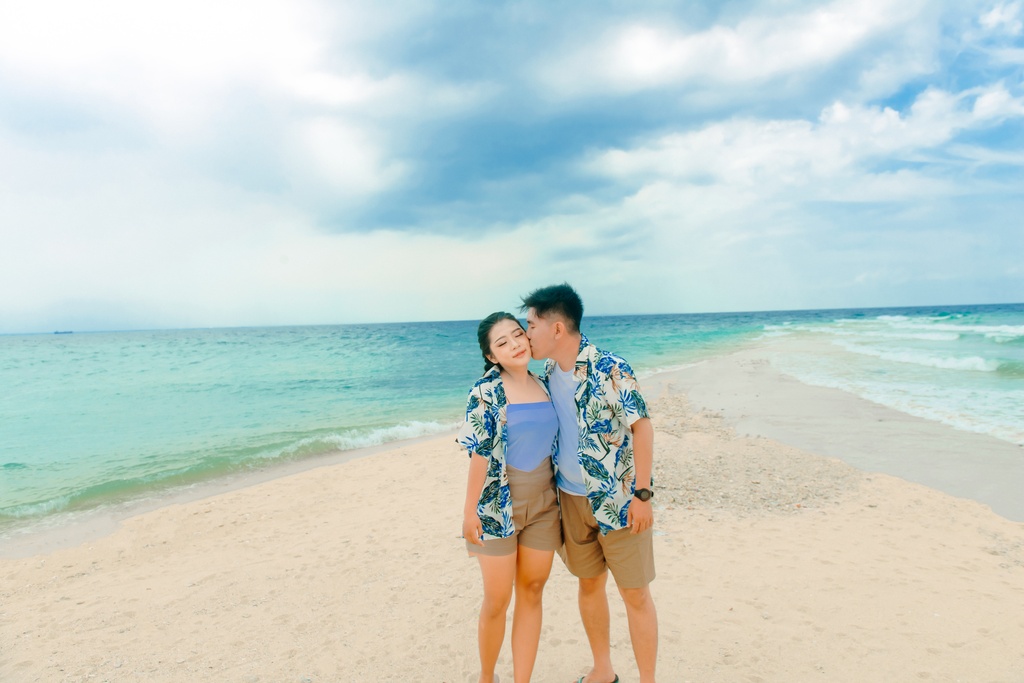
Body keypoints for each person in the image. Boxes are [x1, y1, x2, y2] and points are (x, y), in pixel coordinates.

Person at [521, 283, 658, 683]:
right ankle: (603, 670)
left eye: (531, 325)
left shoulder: (610, 368)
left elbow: (643, 428)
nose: (526, 334)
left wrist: (643, 495)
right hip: (571, 500)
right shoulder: (548, 372)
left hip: (619, 500)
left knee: (635, 593)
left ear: (557, 328)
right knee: (589, 585)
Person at [457, 311, 563, 683]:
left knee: (532, 591)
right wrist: (469, 512)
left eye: (518, 334)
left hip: (544, 505)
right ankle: (487, 677)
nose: (515, 344)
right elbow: (479, 453)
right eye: (502, 343)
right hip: (496, 507)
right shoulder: (485, 391)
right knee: (498, 599)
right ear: (491, 356)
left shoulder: (546, 383)